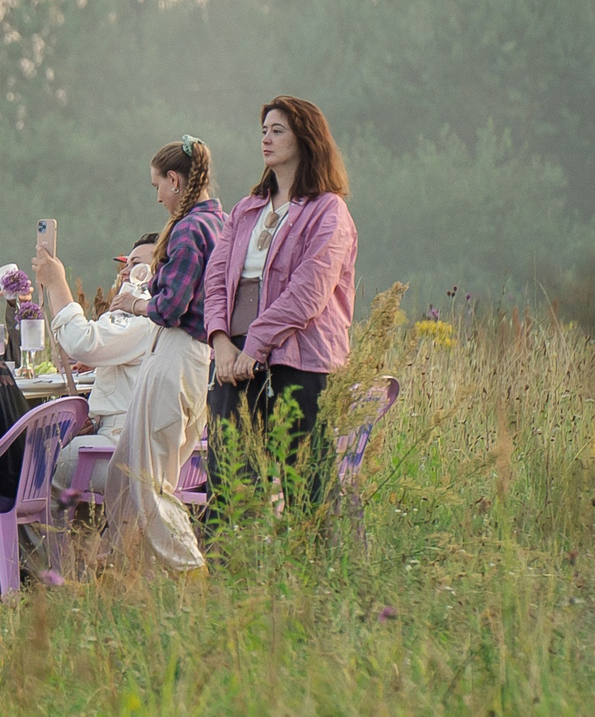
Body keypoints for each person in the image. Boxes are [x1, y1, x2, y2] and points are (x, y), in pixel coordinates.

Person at [204, 96, 360, 511]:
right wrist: (221, 341)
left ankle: (309, 571)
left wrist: (256, 345)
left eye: (277, 131)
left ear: (305, 139)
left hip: (302, 360)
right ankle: (236, 571)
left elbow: (309, 291)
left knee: (305, 482)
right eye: (263, 131)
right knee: (230, 477)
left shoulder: (329, 212)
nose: (266, 139)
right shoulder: (245, 210)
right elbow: (216, 279)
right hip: (233, 361)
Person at [100, 137, 222, 573]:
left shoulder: (189, 228)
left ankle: (188, 570)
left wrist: (135, 301)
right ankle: (128, 571)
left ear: (175, 180)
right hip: (194, 358)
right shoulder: (219, 223)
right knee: (126, 472)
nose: (157, 196)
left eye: (158, 185)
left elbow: (171, 307)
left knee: (150, 481)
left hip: (176, 352)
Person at [35, 239, 158, 484]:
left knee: (35, 461)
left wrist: (57, 283)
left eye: (137, 265)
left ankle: (35, 522)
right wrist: (108, 362)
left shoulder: (145, 317)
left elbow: (84, 343)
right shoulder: (173, 318)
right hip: (143, 442)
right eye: (126, 265)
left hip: (123, 446)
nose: (125, 272)